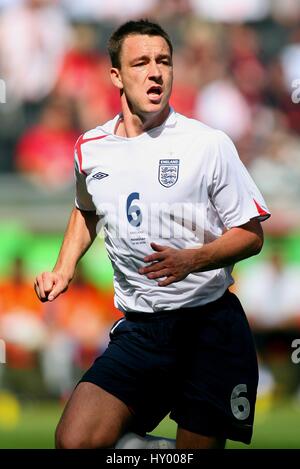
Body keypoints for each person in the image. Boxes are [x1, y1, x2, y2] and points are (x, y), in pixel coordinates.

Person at [34, 19, 270, 449]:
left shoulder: (207, 144)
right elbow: (86, 210)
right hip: (140, 331)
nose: (155, 71)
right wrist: (62, 270)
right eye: (140, 62)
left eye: (164, 61)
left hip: (207, 327)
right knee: (74, 442)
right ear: (116, 76)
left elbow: (251, 235)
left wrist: (192, 259)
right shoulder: (91, 148)